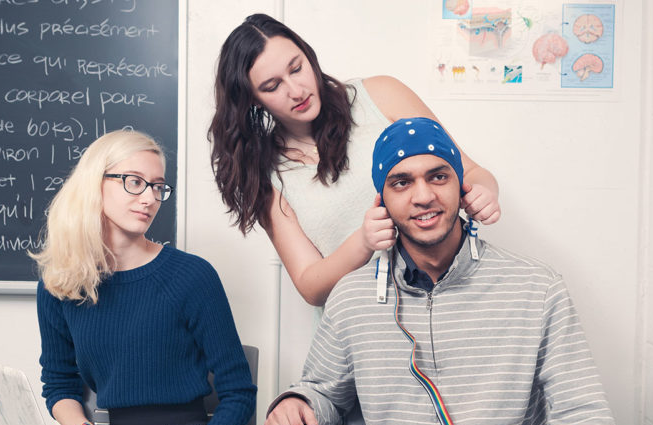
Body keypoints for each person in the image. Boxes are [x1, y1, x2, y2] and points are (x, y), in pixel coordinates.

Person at [264, 118, 621, 425]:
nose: (423, 195)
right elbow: (323, 392)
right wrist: (297, 401)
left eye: (438, 176)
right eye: (401, 182)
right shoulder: (352, 297)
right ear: (382, 201)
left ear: (461, 187)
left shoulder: (537, 288)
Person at [0, 129, 257, 425]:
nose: (148, 197)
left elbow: (239, 393)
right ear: (96, 184)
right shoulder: (60, 284)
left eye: (157, 186)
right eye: (134, 181)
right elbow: (61, 383)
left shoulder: (191, 277)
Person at [210, 13, 502, 306]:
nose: (296, 91)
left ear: (309, 58)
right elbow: (310, 286)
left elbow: (471, 172)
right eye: (272, 86)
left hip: (452, 298)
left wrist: (484, 193)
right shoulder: (264, 175)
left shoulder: (379, 96)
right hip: (362, 325)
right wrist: (363, 241)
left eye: (297, 68)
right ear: (252, 99)